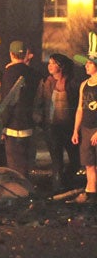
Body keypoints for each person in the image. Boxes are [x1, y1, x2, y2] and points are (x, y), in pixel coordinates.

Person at [38, 53, 80, 191]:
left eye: (53, 63)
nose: (49, 66)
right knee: (57, 162)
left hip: (69, 127)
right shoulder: (47, 82)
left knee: (76, 160)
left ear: (61, 66)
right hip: (52, 128)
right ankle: (57, 188)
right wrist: (41, 120)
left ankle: (66, 182)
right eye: (49, 63)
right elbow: (40, 103)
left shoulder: (72, 83)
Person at [1, 40, 40, 179]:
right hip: (28, 125)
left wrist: (2, 125)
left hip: (12, 126)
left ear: (11, 54)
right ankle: (28, 191)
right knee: (25, 164)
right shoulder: (33, 74)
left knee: (14, 167)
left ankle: (19, 195)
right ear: (25, 54)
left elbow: (7, 101)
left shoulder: (7, 73)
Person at [72, 33, 97, 204]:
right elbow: (80, 108)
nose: (86, 66)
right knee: (89, 164)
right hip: (86, 129)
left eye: (89, 63)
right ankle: (91, 193)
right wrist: (76, 130)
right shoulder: (84, 85)